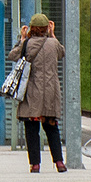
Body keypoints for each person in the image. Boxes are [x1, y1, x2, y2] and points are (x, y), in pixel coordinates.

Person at [8, 13, 65, 173]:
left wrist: (22, 38)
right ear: (48, 27)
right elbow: (62, 53)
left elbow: (12, 56)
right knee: (52, 128)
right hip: (50, 93)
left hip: (32, 92)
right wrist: (53, 34)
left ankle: (35, 164)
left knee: (32, 129)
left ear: (32, 28)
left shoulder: (28, 43)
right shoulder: (54, 44)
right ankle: (59, 162)